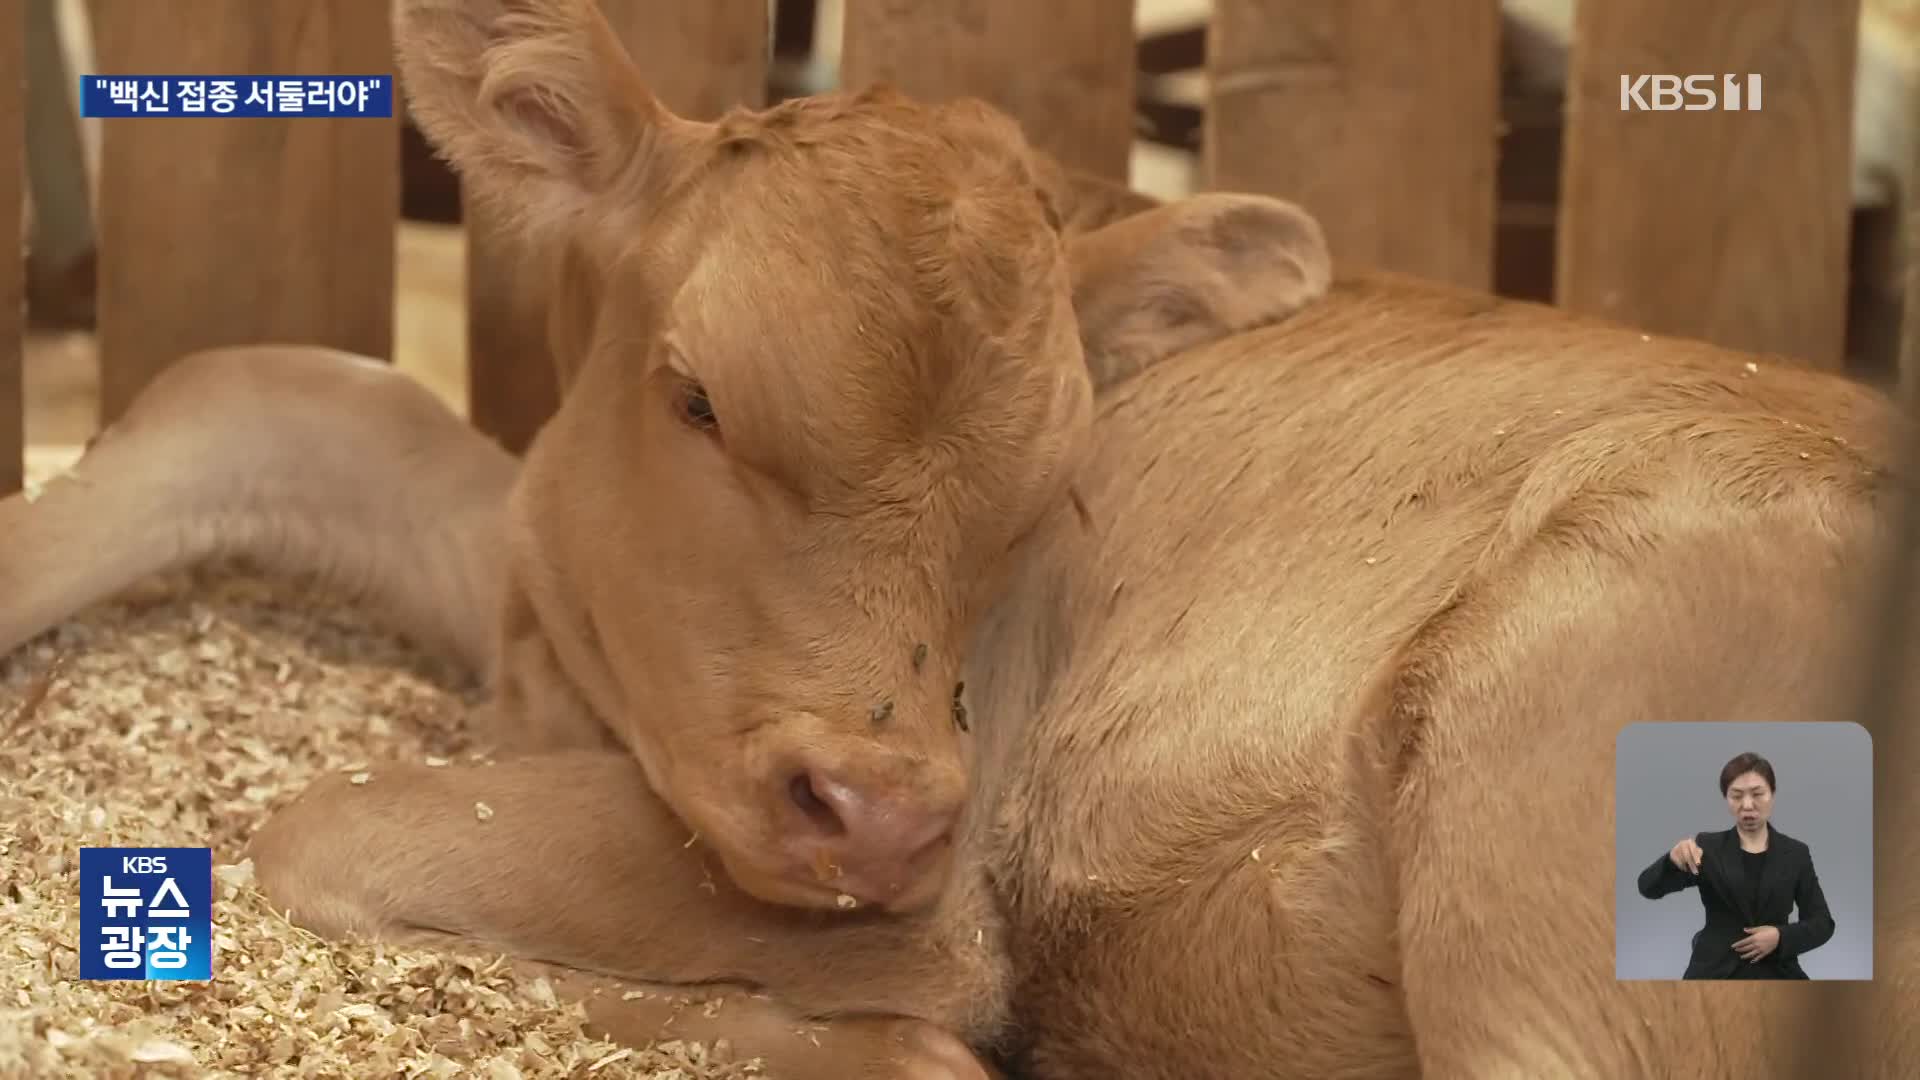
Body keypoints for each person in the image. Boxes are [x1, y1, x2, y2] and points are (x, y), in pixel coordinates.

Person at [1636, 752, 1835, 978]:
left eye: (1758, 794)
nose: (1747, 805)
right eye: (1736, 796)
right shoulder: (1707, 848)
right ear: (1726, 798)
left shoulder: (1796, 853)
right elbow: (1648, 888)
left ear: (1773, 794)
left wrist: (1781, 937)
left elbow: (1822, 923)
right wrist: (1671, 859)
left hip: (1777, 969)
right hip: (1714, 971)